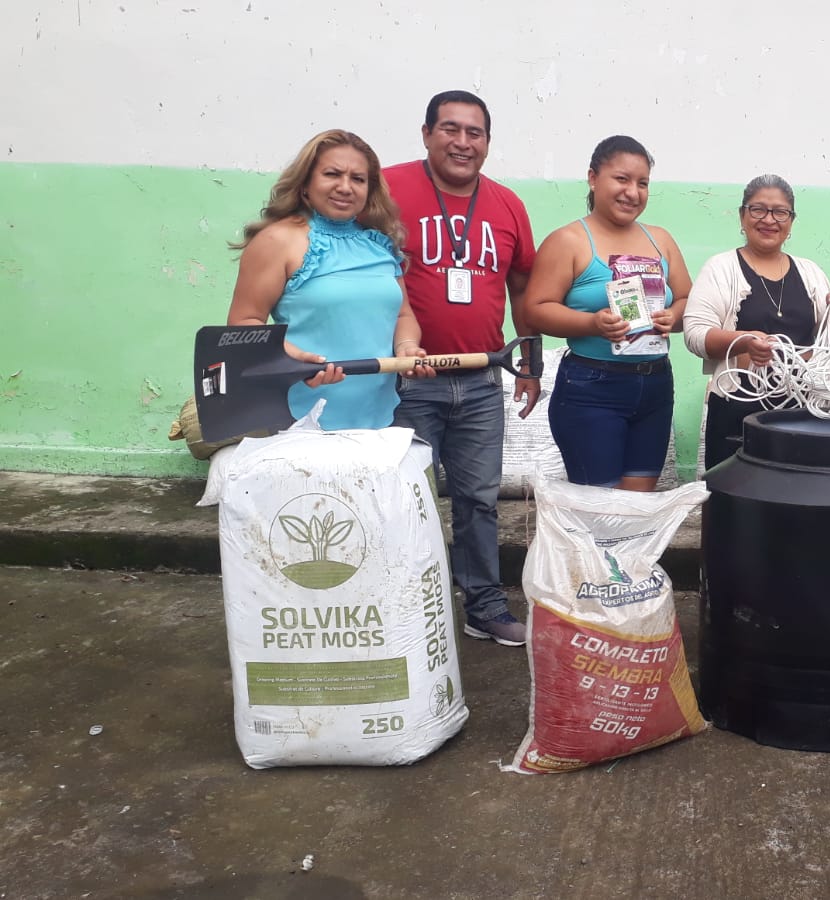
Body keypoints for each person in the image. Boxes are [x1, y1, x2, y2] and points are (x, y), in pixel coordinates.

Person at [385, 90, 539, 649]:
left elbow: (522, 287)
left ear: (488, 143)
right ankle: (404, 609)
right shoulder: (387, 189)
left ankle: (484, 606)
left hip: (481, 380)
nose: (462, 142)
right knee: (407, 501)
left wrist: (529, 361)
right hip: (408, 380)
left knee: (478, 500)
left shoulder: (507, 205)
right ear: (427, 133)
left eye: (474, 133)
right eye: (450, 129)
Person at [226, 129, 432, 430]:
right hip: (297, 418)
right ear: (305, 183)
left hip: (381, 419)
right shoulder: (277, 240)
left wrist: (407, 347)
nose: (345, 187)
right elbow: (243, 324)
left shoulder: (380, 244)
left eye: (358, 179)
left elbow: (403, 314)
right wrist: (293, 358)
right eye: (332, 174)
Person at [521, 135, 690, 490]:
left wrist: (673, 317)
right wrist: (592, 324)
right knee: (601, 508)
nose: (633, 192)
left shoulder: (661, 239)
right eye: (622, 179)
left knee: (636, 506)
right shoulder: (568, 240)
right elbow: (536, 310)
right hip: (592, 388)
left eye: (642, 183)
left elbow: (687, 299)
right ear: (593, 178)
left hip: (655, 385)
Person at [683, 174, 830, 470]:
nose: (769, 219)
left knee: (797, 492)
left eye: (780, 212)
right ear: (742, 216)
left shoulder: (810, 272)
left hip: (802, 414)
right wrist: (742, 341)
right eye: (758, 209)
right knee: (733, 493)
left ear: (791, 221)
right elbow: (695, 335)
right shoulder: (721, 268)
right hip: (737, 412)